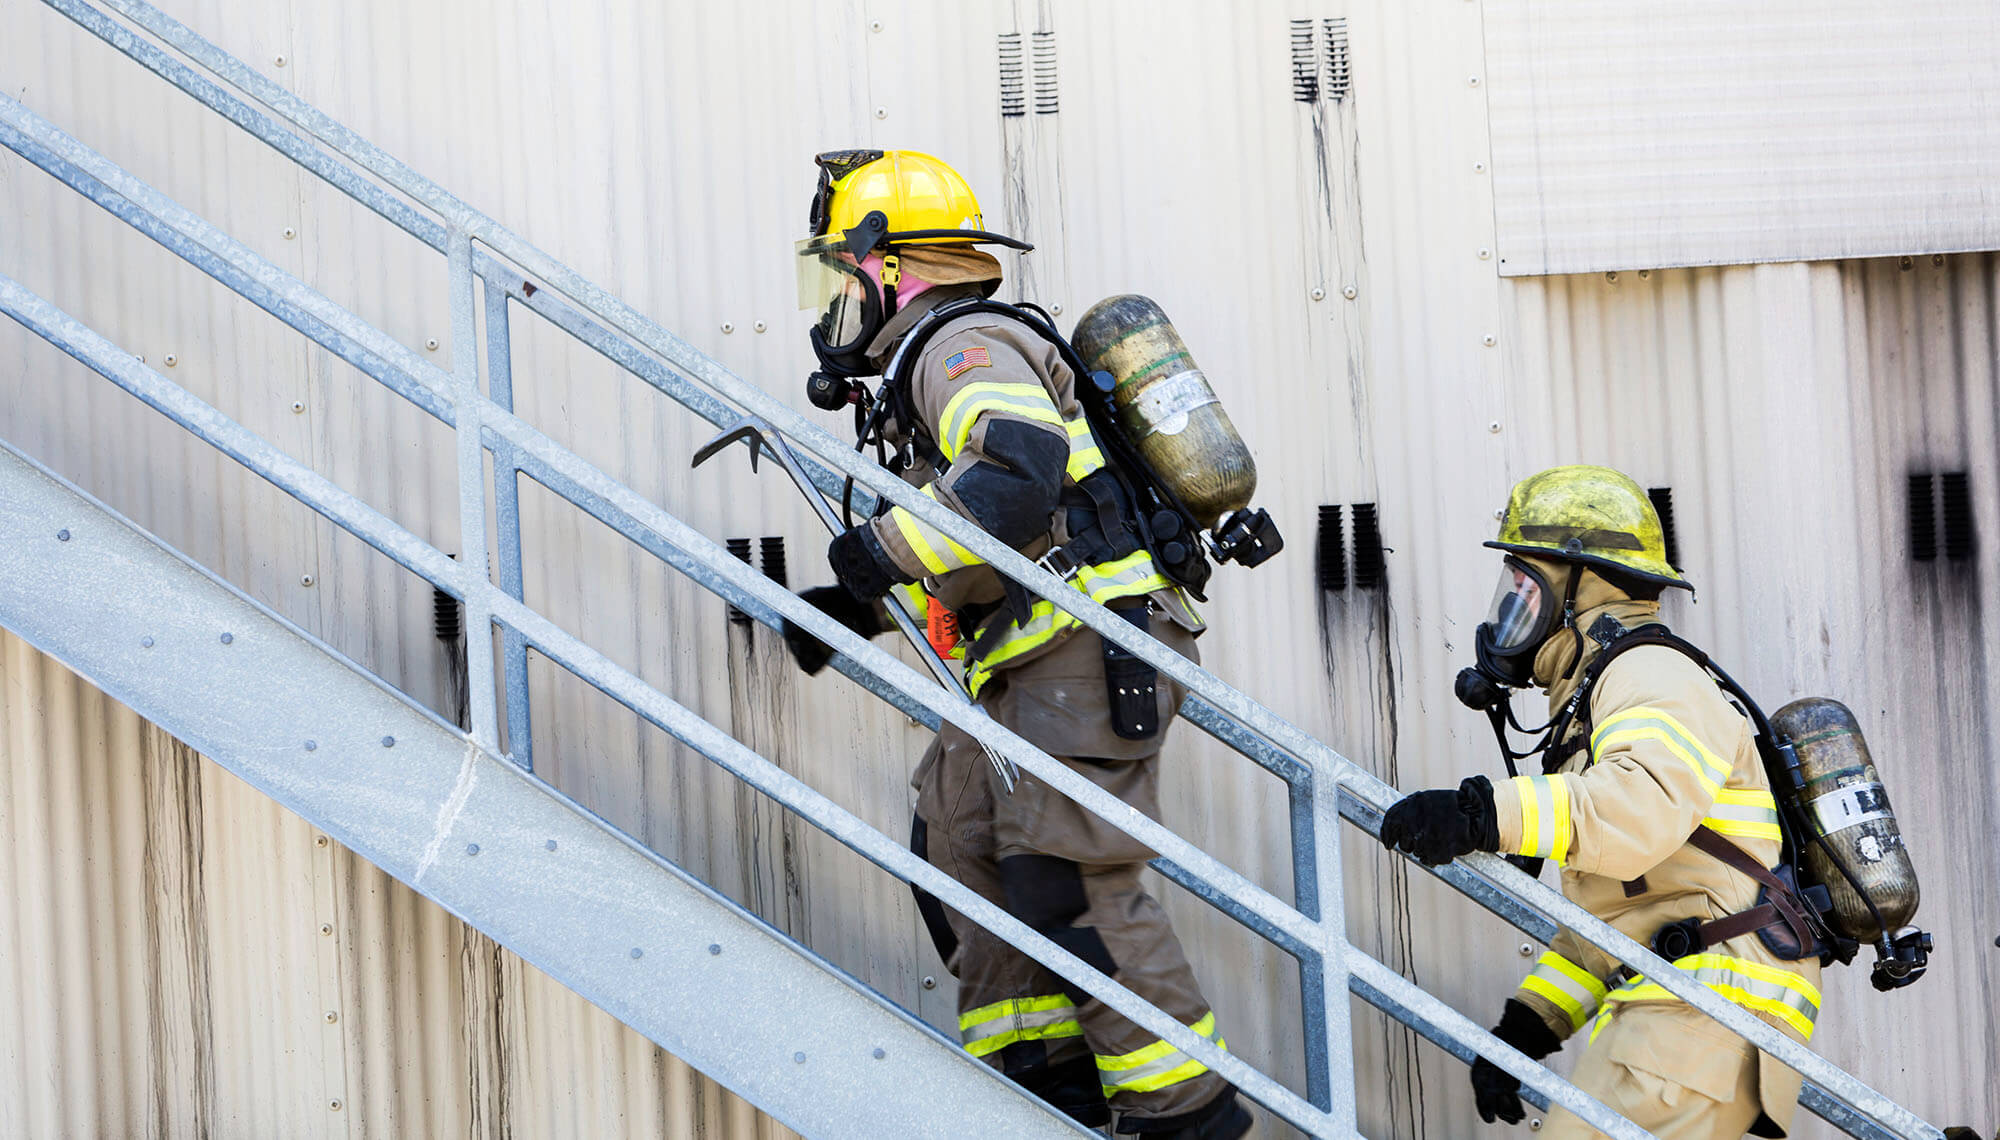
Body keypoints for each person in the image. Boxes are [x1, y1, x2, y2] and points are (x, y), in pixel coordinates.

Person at [780, 149, 1251, 1139]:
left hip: (1089, 648)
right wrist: (854, 604)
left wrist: (876, 550)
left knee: (1064, 881)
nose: (832, 303)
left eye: (841, 275)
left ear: (896, 270)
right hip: (1025, 660)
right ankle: (1038, 1085)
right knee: (955, 845)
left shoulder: (962, 345)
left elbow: (1020, 470)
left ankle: (1188, 1116)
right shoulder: (932, 364)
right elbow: (982, 538)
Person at [1378, 465, 1823, 1139]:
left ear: (1583, 585)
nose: (1511, 612)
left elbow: (1631, 812)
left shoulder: (1651, 674)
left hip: (1705, 1004)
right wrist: (1528, 1026)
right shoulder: (1605, 692)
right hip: (1682, 999)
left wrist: (1480, 816)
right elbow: (1616, 919)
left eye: (1527, 587)